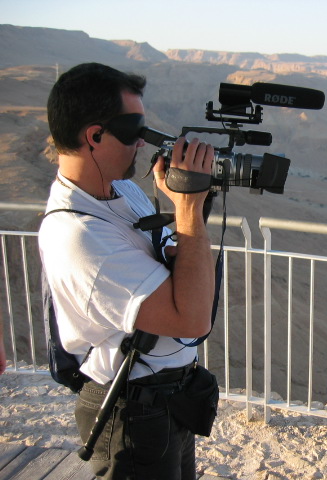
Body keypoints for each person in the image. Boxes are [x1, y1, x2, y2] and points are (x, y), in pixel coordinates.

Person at [39, 63, 216, 479]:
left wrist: (184, 212)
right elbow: (191, 319)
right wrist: (188, 208)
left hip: (168, 397)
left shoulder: (124, 192)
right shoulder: (78, 237)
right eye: (133, 128)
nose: (142, 141)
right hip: (131, 411)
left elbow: (170, 266)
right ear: (95, 136)